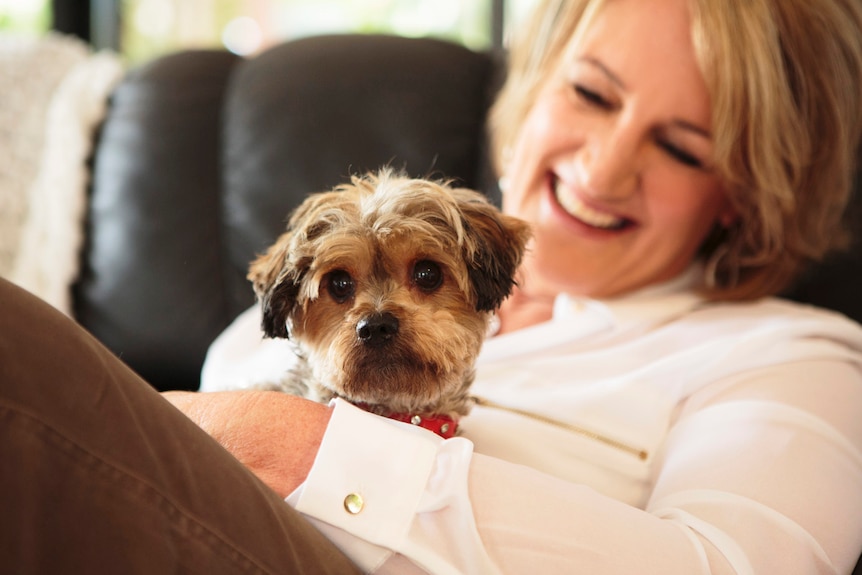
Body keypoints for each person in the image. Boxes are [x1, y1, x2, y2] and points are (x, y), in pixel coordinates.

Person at [2, 0, 861, 574]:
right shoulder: (296, 310)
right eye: (591, 94)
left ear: (749, 190)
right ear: (532, 88)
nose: (605, 167)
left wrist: (296, 443)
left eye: (681, 146)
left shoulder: (791, 358)